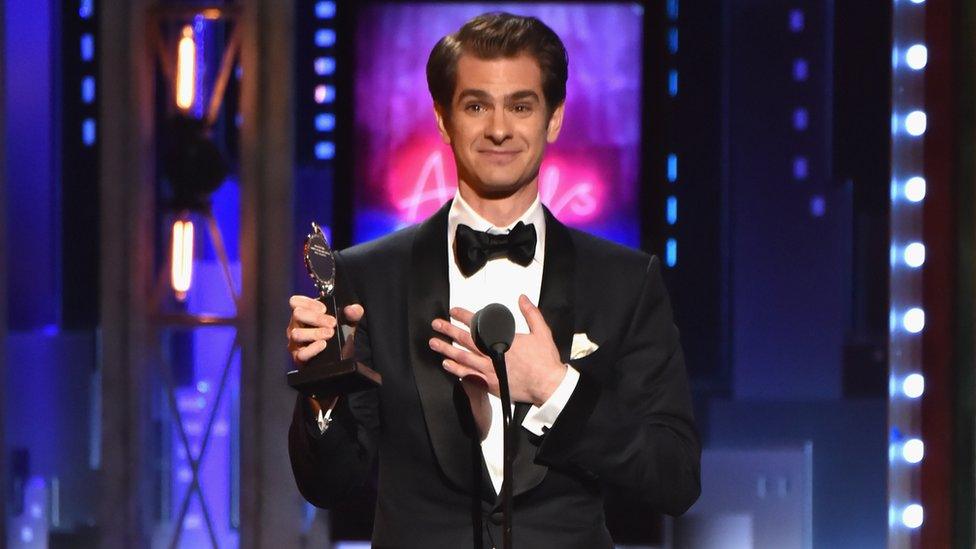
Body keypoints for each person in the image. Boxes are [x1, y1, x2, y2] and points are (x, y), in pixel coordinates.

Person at [287, 12, 700, 548]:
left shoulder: (624, 282)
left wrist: (555, 390)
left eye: (521, 106)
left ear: (553, 119)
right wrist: (325, 379)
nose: (499, 128)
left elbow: (675, 478)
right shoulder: (367, 275)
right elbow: (328, 483)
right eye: (476, 105)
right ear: (443, 119)